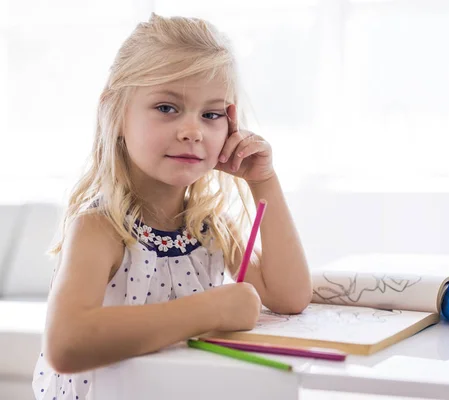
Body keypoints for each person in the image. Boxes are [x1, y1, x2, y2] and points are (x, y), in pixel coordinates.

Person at [32, 13, 312, 399]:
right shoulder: (102, 227)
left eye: (212, 114)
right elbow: (66, 344)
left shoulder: (208, 226)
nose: (192, 131)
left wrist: (264, 181)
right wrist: (210, 310)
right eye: (167, 107)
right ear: (115, 114)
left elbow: (291, 296)